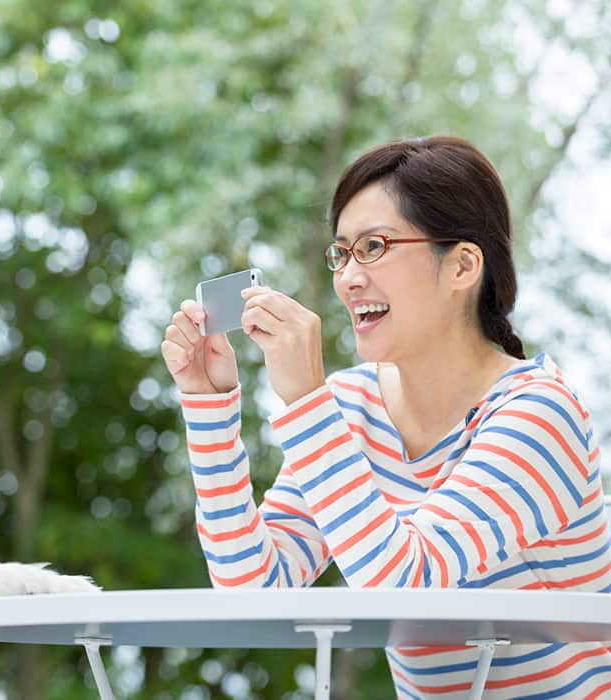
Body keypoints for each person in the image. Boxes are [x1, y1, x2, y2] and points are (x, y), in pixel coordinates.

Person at [161, 136, 610, 699]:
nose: (348, 278)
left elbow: (405, 579)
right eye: (341, 252)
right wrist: (210, 407)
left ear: (463, 266)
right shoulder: (350, 406)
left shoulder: (539, 414)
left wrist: (305, 400)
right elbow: (254, 587)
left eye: (374, 246)